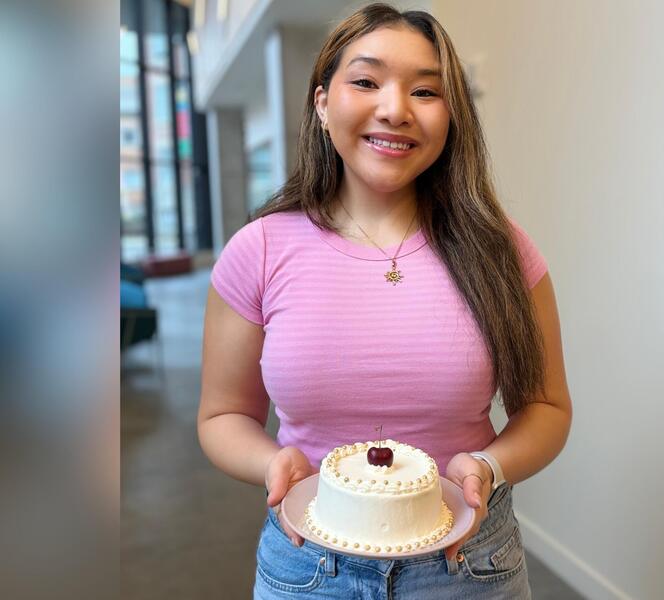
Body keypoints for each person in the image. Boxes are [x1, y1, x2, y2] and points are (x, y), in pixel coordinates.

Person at [198, 3, 572, 598]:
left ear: (452, 115)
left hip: (468, 567)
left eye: (426, 90)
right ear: (322, 102)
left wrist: (488, 467)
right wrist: (272, 463)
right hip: (308, 568)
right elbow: (223, 417)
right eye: (366, 82)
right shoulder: (259, 250)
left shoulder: (502, 249)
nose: (395, 110)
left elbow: (547, 408)